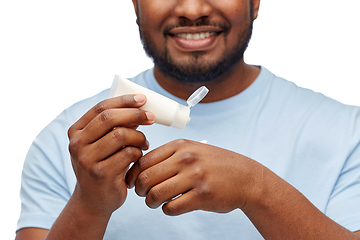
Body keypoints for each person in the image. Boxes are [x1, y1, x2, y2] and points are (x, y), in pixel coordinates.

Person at [15, 0, 360, 239]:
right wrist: (89, 204)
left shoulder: (347, 134)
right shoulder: (72, 141)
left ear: (256, 3)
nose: (193, 10)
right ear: (134, 5)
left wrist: (255, 189)